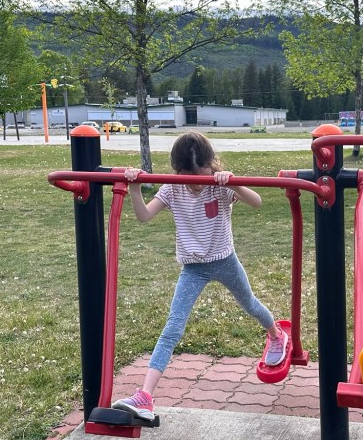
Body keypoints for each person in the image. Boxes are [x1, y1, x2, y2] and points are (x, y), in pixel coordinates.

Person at [114, 131, 287, 422]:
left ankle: (277, 335)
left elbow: (257, 201)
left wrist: (234, 182)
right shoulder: (172, 189)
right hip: (193, 268)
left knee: (250, 304)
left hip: (225, 261)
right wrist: (134, 188)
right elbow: (144, 216)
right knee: (173, 327)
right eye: (187, 177)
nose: (195, 183)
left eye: (200, 175)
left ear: (211, 165)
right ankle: (145, 396)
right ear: (177, 172)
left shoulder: (219, 185)